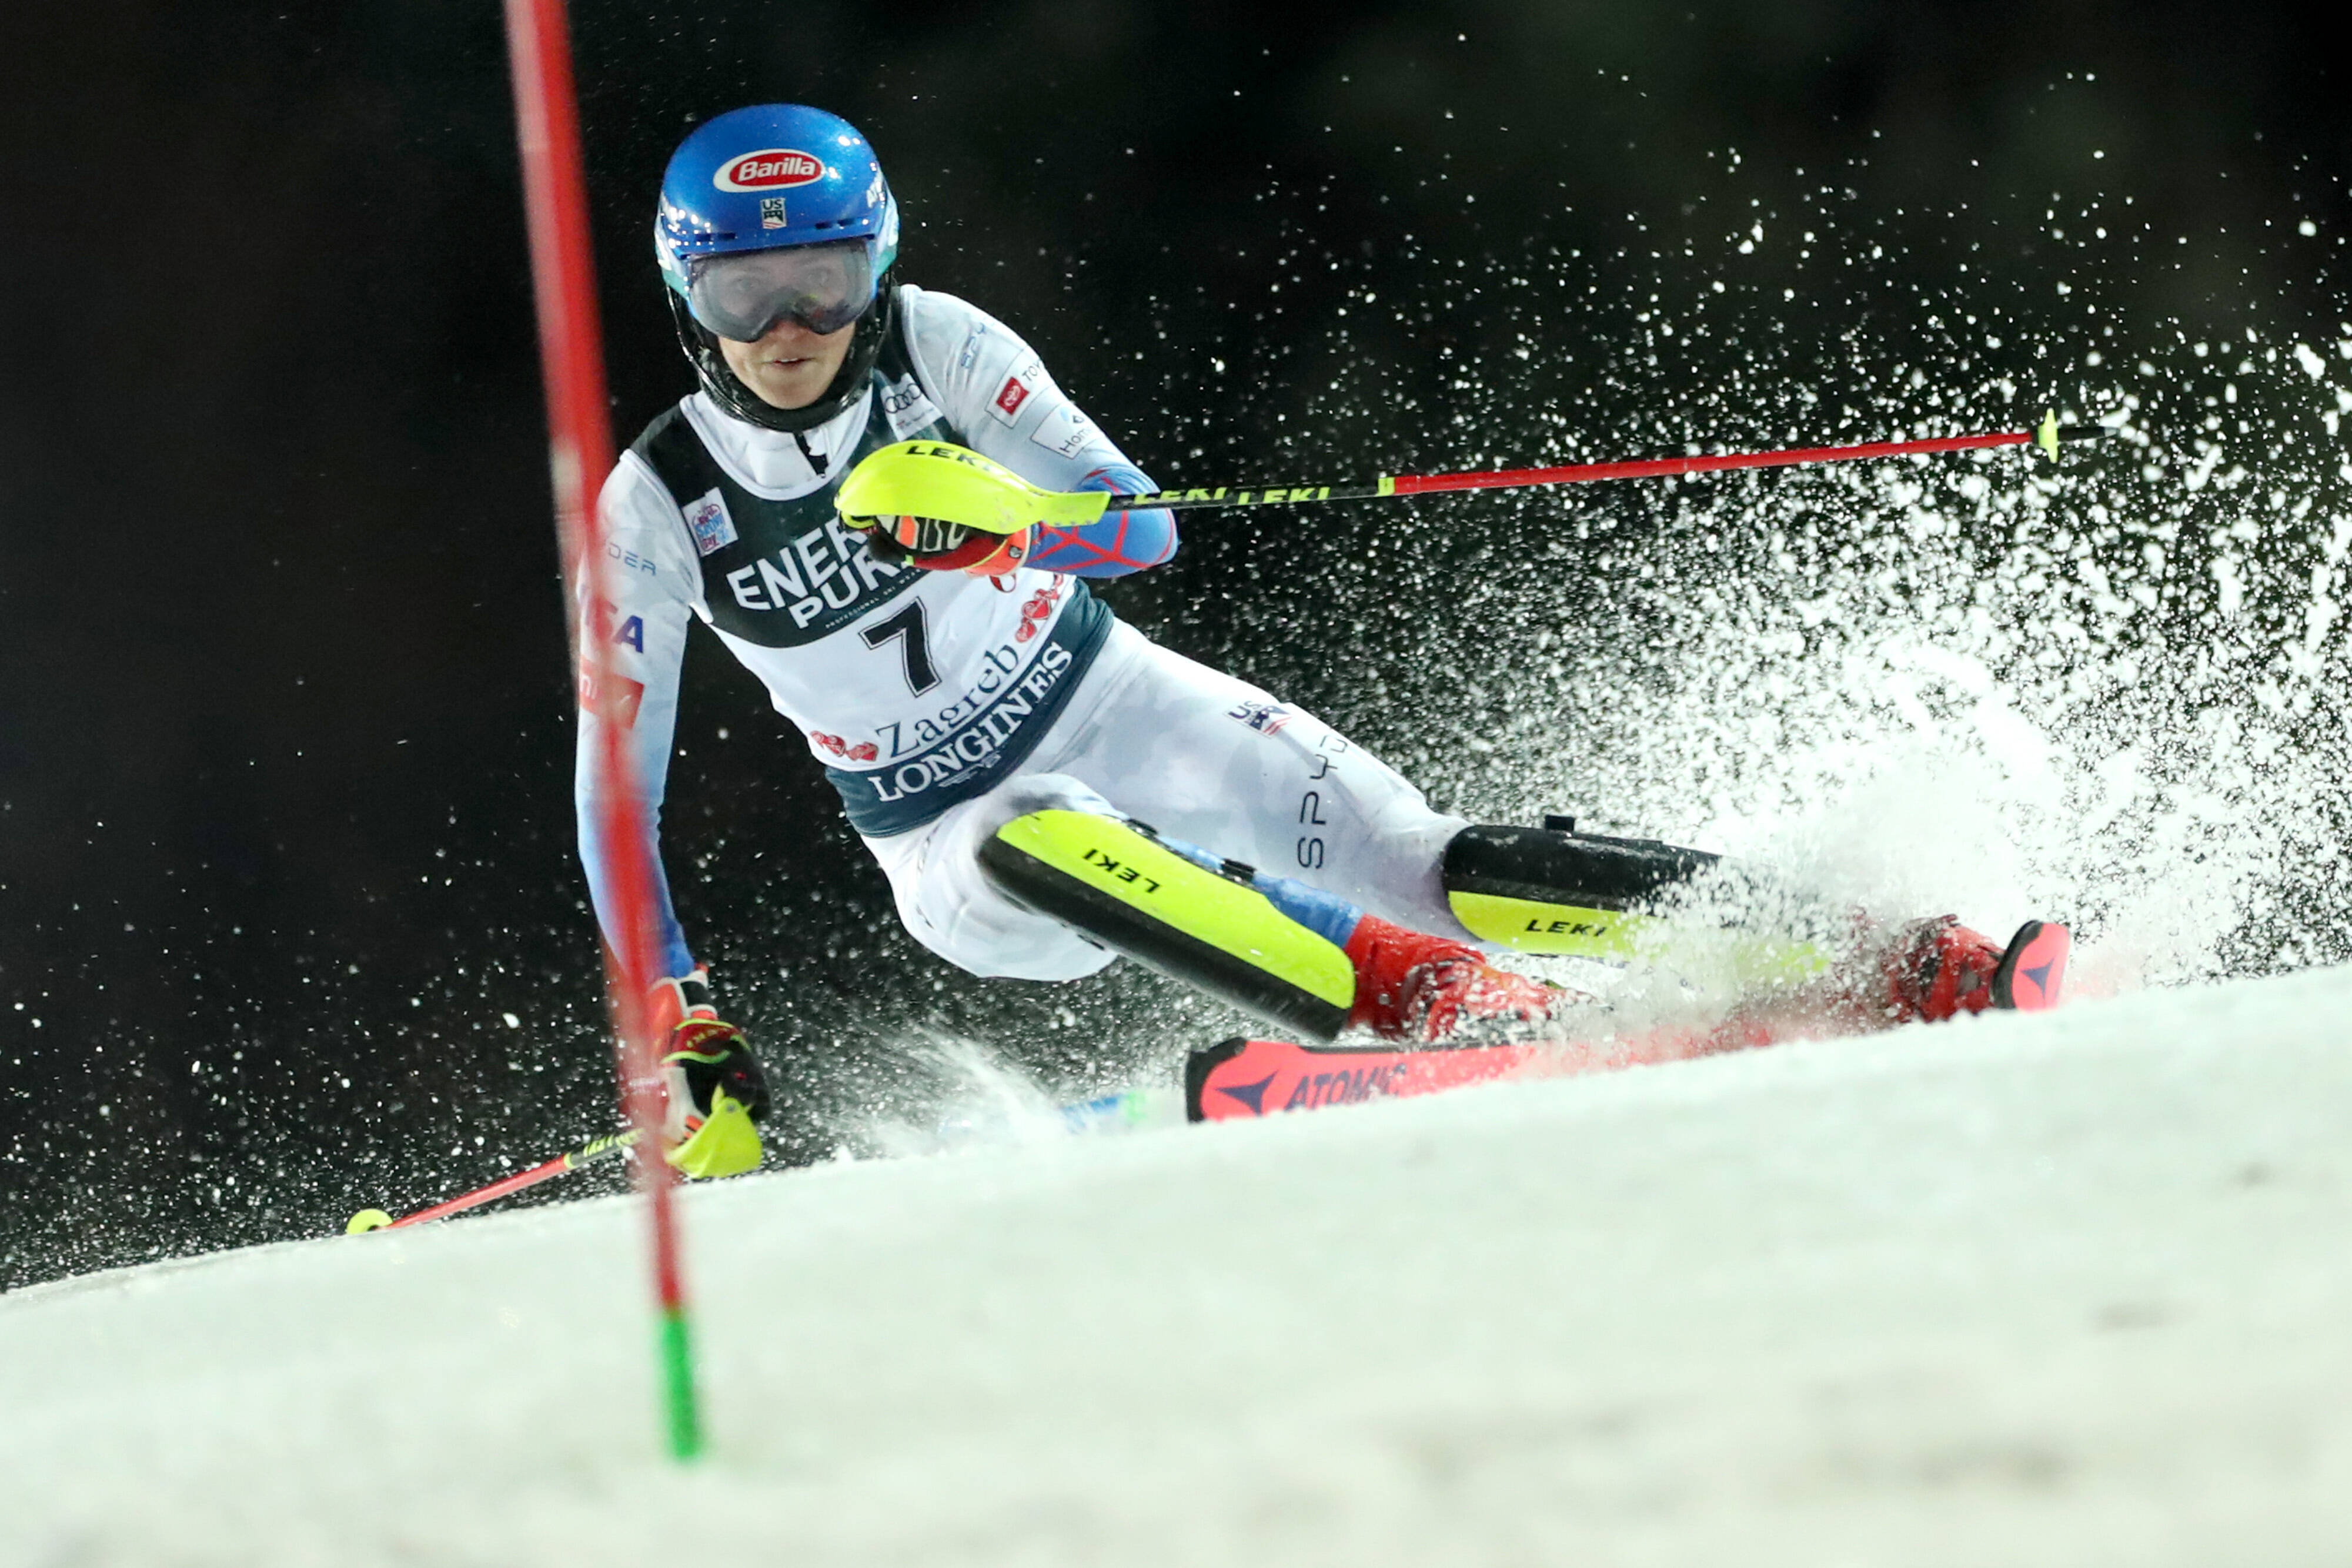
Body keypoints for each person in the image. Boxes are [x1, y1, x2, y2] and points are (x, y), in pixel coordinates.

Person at [580, 104, 2066, 1178]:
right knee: (1040, 836)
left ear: (876, 268)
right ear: (685, 299)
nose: (789, 325)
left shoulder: (945, 347)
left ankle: (1893, 953)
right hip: (943, 834)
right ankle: (1442, 1002)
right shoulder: (657, 496)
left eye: (823, 281)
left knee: (1425, 856)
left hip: (1107, 690)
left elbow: (1138, 524)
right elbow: (614, 794)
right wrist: (680, 1013)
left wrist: (1005, 527)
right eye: (743, 295)